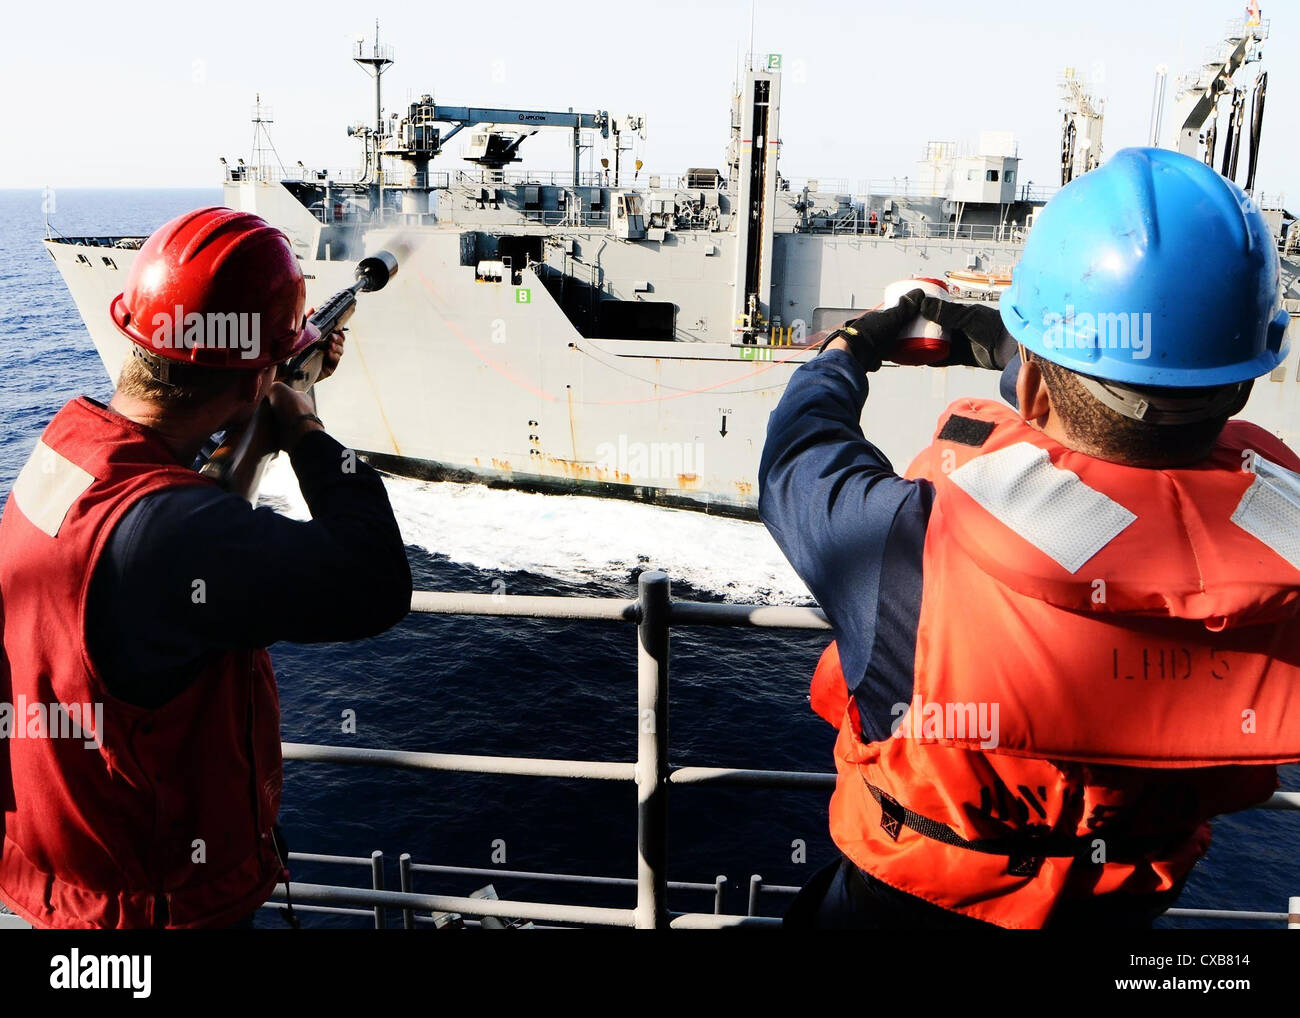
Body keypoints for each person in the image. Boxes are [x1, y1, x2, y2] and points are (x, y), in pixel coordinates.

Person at [759, 147, 1300, 929]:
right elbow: (1139, 396)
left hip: (906, 906)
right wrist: (1010, 344)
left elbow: (799, 454)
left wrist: (850, 347)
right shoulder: (1283, 539)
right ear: (1247, 377)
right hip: (1115, 910)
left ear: (1033, 383)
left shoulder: (910, 546)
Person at [0, 207, 412, 928]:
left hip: (60, 886)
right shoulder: (174, 533)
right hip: (153, 911)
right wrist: (304, 423)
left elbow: (168, 496)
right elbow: (375, 580)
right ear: (255, 378)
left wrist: (266, 394)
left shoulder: (66, 451)